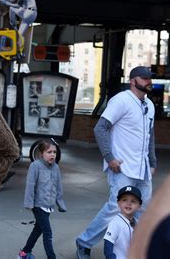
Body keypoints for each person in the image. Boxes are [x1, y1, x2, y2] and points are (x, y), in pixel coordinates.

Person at [76, 66, 157, 259]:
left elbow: (150, 135)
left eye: (149, 78)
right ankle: (84, 242)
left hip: (143, 167)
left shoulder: (150, 105)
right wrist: (109, 157)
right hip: (122, 166)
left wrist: (152, 161)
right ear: (133, 81)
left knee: (142, 209)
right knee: (115, 208)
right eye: (145, 78)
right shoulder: (121, 100)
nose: (148, 82)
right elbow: (100, 128)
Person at [18, 139, 67, 259]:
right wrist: (29, 203)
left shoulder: (55, 167)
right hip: (38, 205)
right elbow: (30, 185)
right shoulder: (35, 166)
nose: (52, 155)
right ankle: (51, 257)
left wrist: (60, 204)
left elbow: (58, 186)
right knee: (48, 232)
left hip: (49, 205)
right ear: (41, 154)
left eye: (54, 152)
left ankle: (24, 253)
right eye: (49, 152)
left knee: (38, 230)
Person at [104, 185, 142, 259]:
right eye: (124, 200)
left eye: (133, 201)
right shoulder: (115, 223)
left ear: (139, 206)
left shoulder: (138, 223)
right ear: (118, 203)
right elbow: (108, 246)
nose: (128, 203)